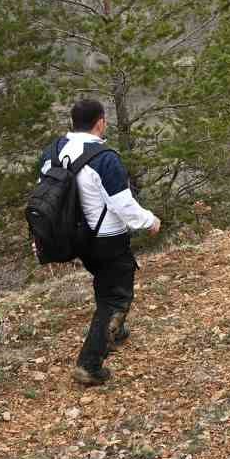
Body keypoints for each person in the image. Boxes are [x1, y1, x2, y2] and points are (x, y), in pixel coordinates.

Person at [40, 99, 161, 387]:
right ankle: (89, 364)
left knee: (105, 282)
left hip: (75, 238)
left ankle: (115, 332)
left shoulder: (52, 152)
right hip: (107, 238)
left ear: (72, 122)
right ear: (100, 122)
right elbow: (123, 205)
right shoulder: (105, 157)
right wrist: (150, 221)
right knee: (117, 297)